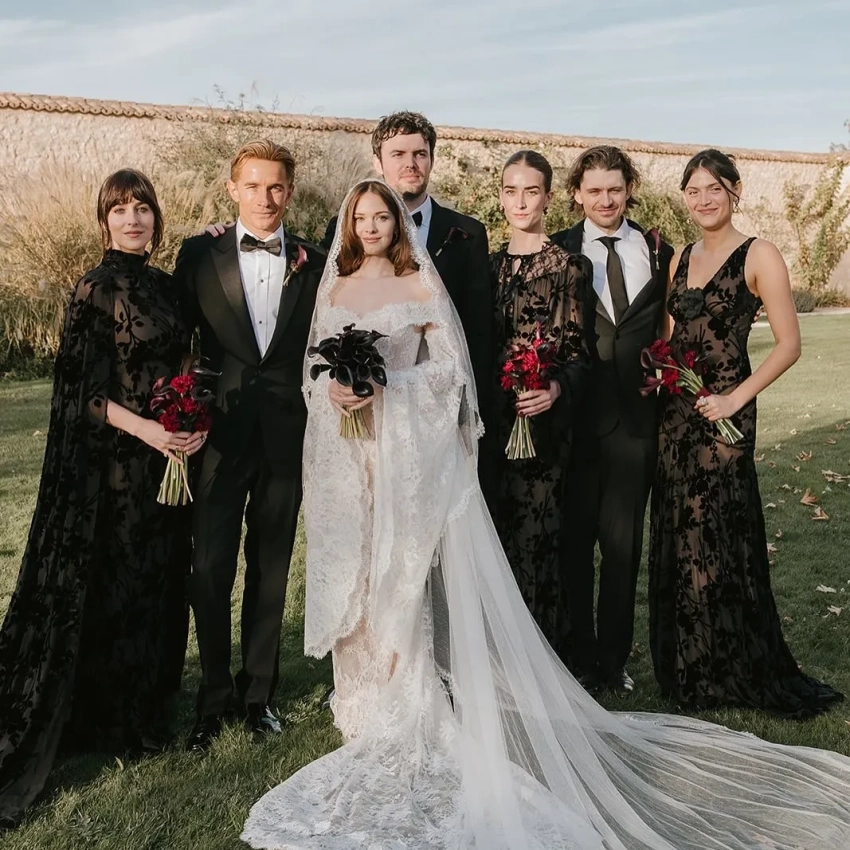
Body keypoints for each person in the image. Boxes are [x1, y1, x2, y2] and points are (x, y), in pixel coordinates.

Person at [240, 178, 850, 850]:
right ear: (350, 225)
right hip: (353, 459)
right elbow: (311, 370)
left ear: (397, 223)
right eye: (361, 217)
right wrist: (336, 390)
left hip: (408, 454)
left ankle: (405, 702)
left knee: (402, 571)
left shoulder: (420, 283)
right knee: (358, 567)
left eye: (382, 215)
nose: (372, 225)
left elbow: (453, 374)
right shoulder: (333, 287)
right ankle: (358, 699)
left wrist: (389, 383)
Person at [0, 169, 195, 824]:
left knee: (159, 579)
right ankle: (105, 718)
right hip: (114, 463)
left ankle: (147, 709)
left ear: (156, 218)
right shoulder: (93, 288)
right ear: (104, 221)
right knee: (115, 579)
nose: (133, 219)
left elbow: (186, 364)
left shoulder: (167, 287)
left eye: (143, 208)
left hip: (171, 458)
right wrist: (149, 430)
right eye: (120, 210)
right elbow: (79, 393)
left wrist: (188, 421)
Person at [649, 148, 844, 717]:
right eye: (693, 190)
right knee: (681, 531)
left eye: (714, 188)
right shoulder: (680, 257)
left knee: (719, 531)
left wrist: (735, 397)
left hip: (727, 414)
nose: (703, 199)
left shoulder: (760, 254)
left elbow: (790, 344)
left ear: (735, 191)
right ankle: (690, 666)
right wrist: (662, 379)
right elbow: (669, 337)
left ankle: (731, 666)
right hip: (678, 413)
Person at [173, 140, 325, 753]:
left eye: (277, 186)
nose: (266, 198)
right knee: (209, 568)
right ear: (233, 189)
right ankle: (211, 701)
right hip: (216, 433)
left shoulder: (315, 260)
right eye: (254, 186)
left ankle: (258, 696)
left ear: (290, 191)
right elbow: (176, 339)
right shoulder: (197, 253)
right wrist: (178, 407)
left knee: (272, 566)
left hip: (286, 435)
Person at [550, 146, 674, 693]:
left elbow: (666, 324)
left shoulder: (658, 249)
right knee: (575, 545)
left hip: (636, 422)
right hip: (574, 422)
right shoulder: (557, 250)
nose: (605, 200)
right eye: (595, 190)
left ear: (629, 190)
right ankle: (579, 654)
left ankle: (613, 658)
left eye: (615, 189)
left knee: (624, 551)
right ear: (577, 193)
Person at [323, 111, 496, 491]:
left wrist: (467, 414)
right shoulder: (342, 227)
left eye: (420, 153)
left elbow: (478, 329)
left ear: (431, 159)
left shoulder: (468, 233)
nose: (410, 163)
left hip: (439, 413)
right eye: (398, 154)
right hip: (360, 422)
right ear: (378, 162)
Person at [489, 150, 591, 656]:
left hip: (543, 431)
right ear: (501, 196)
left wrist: (554, 389)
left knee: (537, 540)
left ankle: (538, 660)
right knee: (494, 543)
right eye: (511, 191)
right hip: (491, 428)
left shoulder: (569, 267)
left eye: (531, 191)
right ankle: (496, 658)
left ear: (549, 198)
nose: (521, 201)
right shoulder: (487, 266)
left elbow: (579, 354)